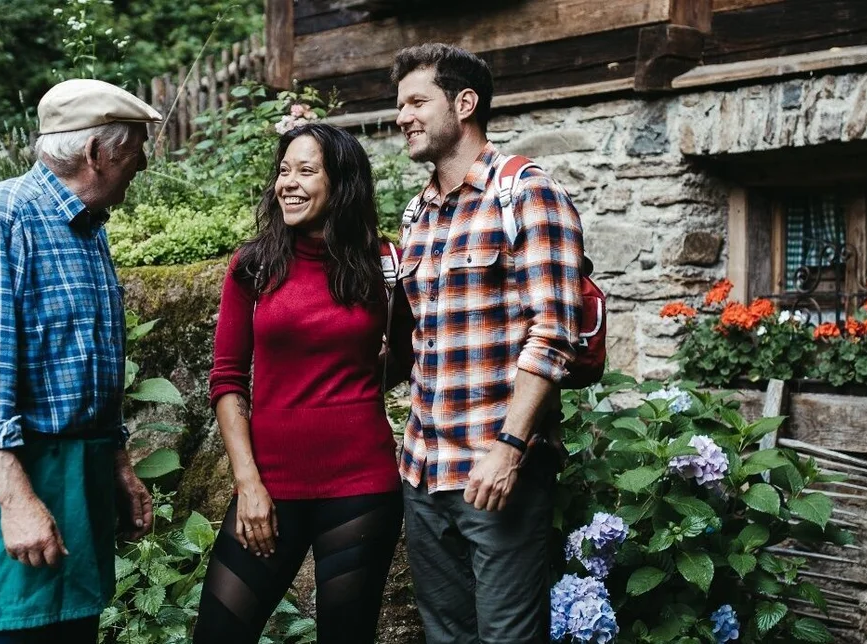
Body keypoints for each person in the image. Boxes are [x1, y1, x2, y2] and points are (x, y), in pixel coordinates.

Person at [0, 78, 162, 644]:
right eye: (135, 147)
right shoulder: (1, 217)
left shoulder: (88, 231)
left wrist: (120, 467)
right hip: (10, 478)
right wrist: (16, 503)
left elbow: (93, 370)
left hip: (77, 479)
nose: (143, 161)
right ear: (96, 153)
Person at [390, 44, 586, 644]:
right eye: (399, 105)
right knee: (446, 637)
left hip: (495, 472)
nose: (402, 116)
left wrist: (509, 446)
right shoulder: (416, 214)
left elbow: (553, 334)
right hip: (424, 472)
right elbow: (417, 341)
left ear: (465, 103)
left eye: (418, 101)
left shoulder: (526, 193)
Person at [195, 123, 411, 644]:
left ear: (342, 183)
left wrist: (347, 384)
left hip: (361, 487)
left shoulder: (384, 263)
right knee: (218, 634)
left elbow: (403, 358)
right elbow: (227, 379)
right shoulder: (253, 266)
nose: (287, 183)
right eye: (283, 171)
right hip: (270, 486)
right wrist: (247, 484)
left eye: (306, 171)